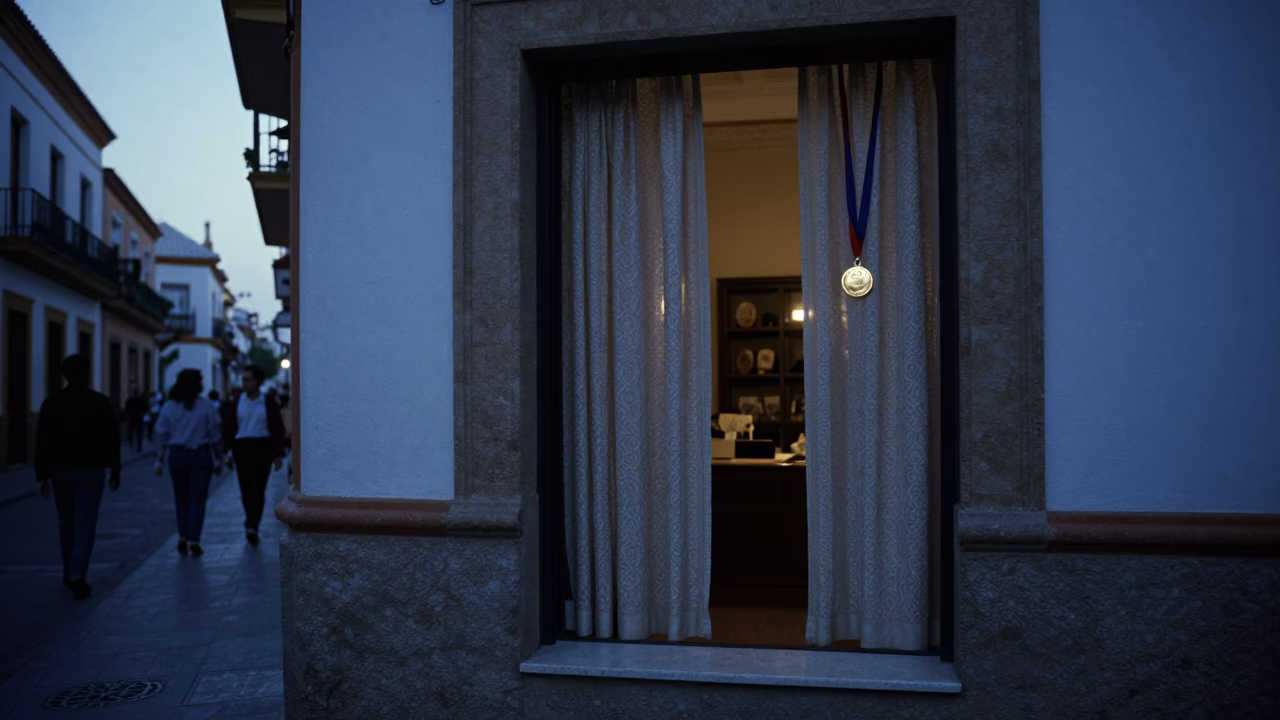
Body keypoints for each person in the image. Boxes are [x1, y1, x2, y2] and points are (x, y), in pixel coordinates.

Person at [34, 354, 121, 599]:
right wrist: (115, 469)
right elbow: (112, 439)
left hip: (60, 472)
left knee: (66, 521)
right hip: (91, 471)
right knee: (85, 522)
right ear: (87, 373)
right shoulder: (101, 403)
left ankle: (68, 569)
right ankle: (77, 574)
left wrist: (41, 474)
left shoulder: (51, 404)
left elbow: (42, 440)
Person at [154, 369, 223, 557]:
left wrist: (159, 460)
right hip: (201, 455)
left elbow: (161, 434)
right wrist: (219, 458)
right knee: (197, 500)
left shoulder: (169, 406)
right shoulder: (206, 406)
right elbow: (215, 434)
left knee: (181, 498)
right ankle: (194, 539)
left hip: (177, 455)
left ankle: (182, 537)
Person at [221, 364, 287, 546]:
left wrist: (278, 454)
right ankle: (249, 519)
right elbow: (229, 427)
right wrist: (226, 451)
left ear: (258, 382)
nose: (245, 383)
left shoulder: (267, 402)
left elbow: (276, 427)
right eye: (243, 379)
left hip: (262, 447)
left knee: (259, 488)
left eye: (248, 379)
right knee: (245, 488)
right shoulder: (237, 402)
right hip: (242, 448)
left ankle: (253, 524)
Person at [124, 387, 148, 453]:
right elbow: (145, 408)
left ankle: (131, 443)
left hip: (132, 417)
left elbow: (126, 409)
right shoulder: (140, 400)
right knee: (138, 432)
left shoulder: (130, 400)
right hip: (138, 418)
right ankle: (138, 446)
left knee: (131, 430)